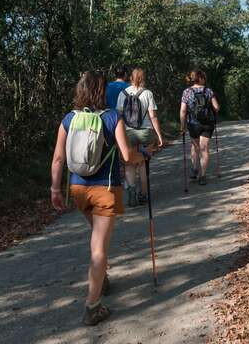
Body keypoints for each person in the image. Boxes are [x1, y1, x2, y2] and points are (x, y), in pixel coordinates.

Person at [50, 71, 144, 326]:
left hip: (78, 190)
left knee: (96, 239)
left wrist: (55, 190)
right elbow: (126, 155)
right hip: (106, 189)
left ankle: (101, 278)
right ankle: (93, 305)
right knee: (99, 247)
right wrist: (142, 157)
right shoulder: (113, 117)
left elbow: (58, 158)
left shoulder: (68, 119)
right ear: (101, 92)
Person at [116, 68, 164, 206]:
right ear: (143, 78)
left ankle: (131, 194)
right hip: (146, 132)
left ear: (130, 77)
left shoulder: (122, 94)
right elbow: (153, 117)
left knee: (129, 164)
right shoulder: (147, 93)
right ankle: (143, 195)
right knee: (143, 163)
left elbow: (118, 116)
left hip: (127, 133)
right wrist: (159, 135)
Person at [180, 70, 220, 186]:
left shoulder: (186, 92)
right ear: (201, 78)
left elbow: (183, 111)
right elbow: (216, 107)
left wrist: (182, 126)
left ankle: (194, 168)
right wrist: (214, 110)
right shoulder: (208, 91)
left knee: (195, 146)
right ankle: (202, 176)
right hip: (207, 123)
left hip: (193, 124)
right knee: (204, 149)